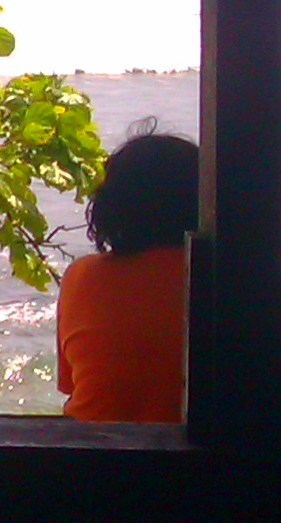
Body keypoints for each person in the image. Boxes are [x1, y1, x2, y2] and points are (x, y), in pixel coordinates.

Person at [57, 127, 199, 423]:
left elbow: (75, 386)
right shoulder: (217, 281)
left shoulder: (82, 277)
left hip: (91, 447)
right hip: (199, 450)